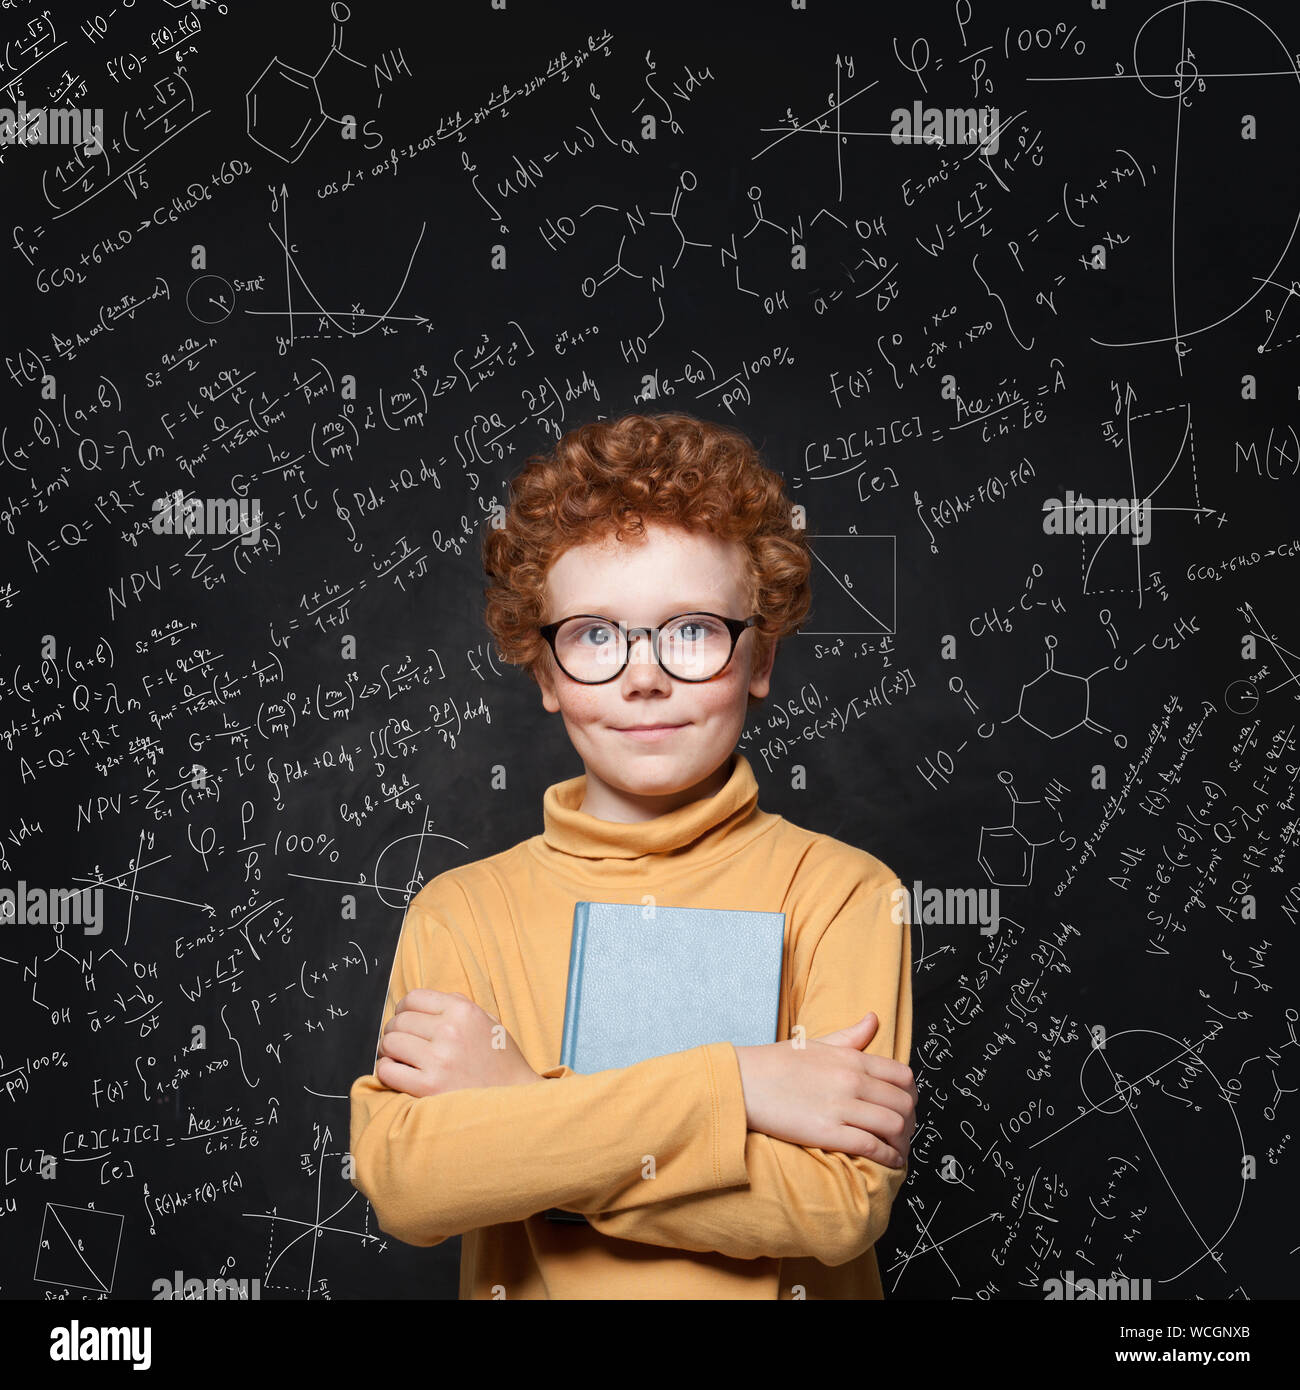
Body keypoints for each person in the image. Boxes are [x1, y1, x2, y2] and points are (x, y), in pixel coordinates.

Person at [348, 412, 916, 1299]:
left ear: (758, 655)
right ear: (545, 673)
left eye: (691, 630)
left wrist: (519, 1115)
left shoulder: (844, 895)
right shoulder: (460, 912)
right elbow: (413, 1185)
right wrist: (738, 1087)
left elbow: (834, 1206)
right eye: (595, 635)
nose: (642, 676)